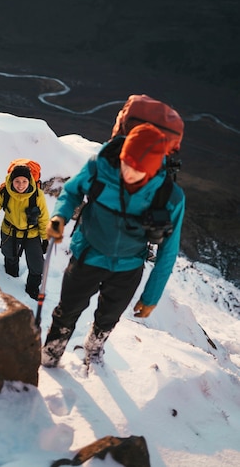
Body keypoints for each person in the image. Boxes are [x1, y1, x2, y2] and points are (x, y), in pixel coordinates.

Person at [41, 123, 185, 368]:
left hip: (128, 267)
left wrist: (151, 296)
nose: (128, 172)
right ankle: (52, 352)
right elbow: (72, 192)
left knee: (109, 316)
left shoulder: (169, 196)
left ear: (151, 171)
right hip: (87, 254)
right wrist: (60, 216)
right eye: (125, 163)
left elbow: (168, 251)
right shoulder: (101, 166)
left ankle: (94, 346)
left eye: (137, 170)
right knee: (67, 309)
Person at [0, 165, 50, 300]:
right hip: (10, 231)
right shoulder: (4, 192)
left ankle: (32, 288)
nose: (20, 185)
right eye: (17, 181)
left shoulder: (37, 195)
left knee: (37, 265)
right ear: (12, 180)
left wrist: (45, 239)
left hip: (31, 234)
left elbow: (44, 218)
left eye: (24, 181)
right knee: (10, 256)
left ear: (30, 181)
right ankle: (10, 279)